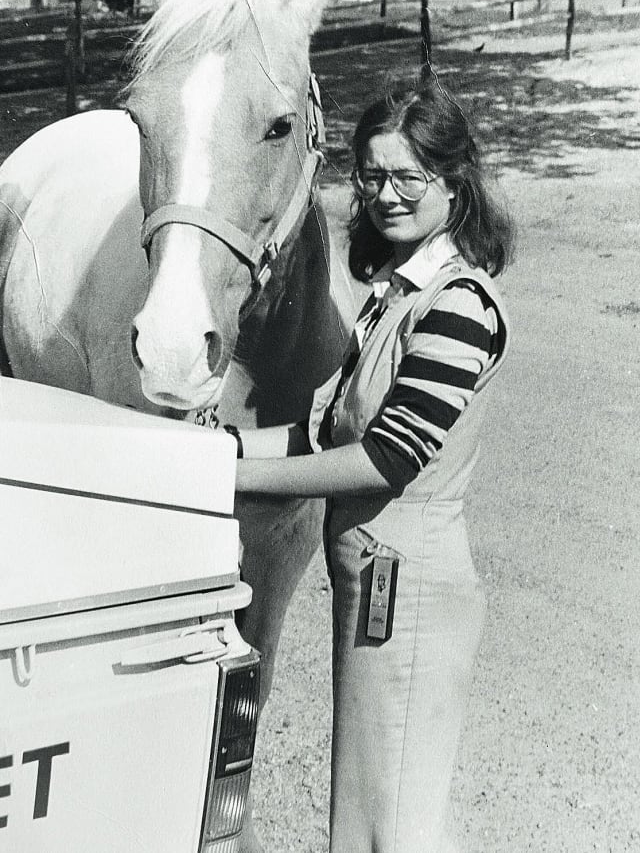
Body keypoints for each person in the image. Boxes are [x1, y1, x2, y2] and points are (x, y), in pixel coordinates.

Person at [230, 78, 515, 853]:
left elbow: (385, 459)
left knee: (394, 827)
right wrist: (207, 450)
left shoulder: (458, 303)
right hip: (376, 586)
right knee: (369, 819)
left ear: (453, 186)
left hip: (410, 589)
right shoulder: (395, 295)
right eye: (373, 175)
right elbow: (323, 435)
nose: (387, 196)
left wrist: (235, 478)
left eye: (408, 177)